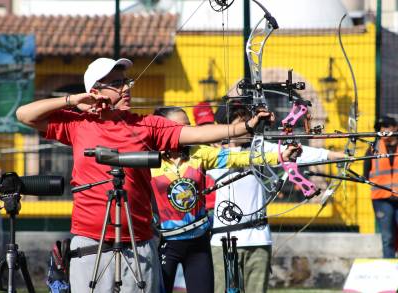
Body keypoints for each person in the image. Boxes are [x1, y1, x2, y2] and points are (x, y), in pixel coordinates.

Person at [15, 57, 299, 292]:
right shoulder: (77, 125)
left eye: (127, 81)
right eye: (116, 84)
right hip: (91, 240)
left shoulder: (146, 125)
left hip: (138, 242)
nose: (126, 88)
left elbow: (195, 133)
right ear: (96, 91)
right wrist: (72, 99)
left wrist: (245, 127)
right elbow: (24, 115)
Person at [150, 106, 297, 293]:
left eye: (189, 126)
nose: (189, 131)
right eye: (181, 127)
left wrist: (279, 155)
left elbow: (239, 158)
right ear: (161, 129)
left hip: (198, 243)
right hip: (165, 242)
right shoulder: (148, 159)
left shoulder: (198, 153)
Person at [209, 105, 346, 293]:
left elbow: (300, 153)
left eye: (250, 122)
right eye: (242, 123)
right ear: (226, 128)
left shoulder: (260, 147)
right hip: (223, 240)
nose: (249, 127)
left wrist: (336, 156)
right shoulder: (210, 154)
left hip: (258, 239)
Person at [363, 115, 398, 258]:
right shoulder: (373, 149)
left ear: (395, 128)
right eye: (381, 128)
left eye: (387, 126)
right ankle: (389, 269)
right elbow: (366, 174)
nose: (384, 130)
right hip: (381, 199)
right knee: (387, 237)